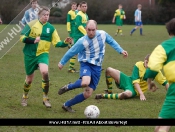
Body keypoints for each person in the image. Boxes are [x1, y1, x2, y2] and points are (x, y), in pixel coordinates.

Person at [57, 20, 128, 113]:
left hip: (97, 67)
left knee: (88, 94)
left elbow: (112, 41)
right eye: (89, 30)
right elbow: (72, 51)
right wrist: (62, 62)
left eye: (93, 30)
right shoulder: (82, 41)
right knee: (85, 82)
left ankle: (66, 105)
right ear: (86, 29)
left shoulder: (103, 35)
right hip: (86, 64)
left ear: (96, 29)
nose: (91, 32)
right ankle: (69, 86)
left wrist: (121, 50)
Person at [20, 6, 72, 108]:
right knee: (29, 79)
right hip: (29, 55)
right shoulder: (31, 24)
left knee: (44, 72)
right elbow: (22, 37)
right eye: (44, 15)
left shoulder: (51, 28)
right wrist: (33, 40)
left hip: (43, 54)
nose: (46, 17)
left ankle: (45, 98)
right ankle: (25, 97)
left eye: (48, 15)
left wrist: (65, 43)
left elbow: (57, 43)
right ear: (39, 15)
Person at [144, 18, 175, 132]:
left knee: (160, 128)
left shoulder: (164, 46)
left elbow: (153, 67)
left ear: (169, 32)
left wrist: (149, 81)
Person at [95, 54, 169, 100]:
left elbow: (166, 83)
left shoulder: (155, 71)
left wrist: (171, 96)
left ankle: (103, 96)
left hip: (135, 90)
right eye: (147, 62)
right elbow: (135, 82)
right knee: (109, 70)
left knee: (125, 94)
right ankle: (109, 92)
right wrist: (142, 94)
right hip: (128, 80)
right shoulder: (138, 65)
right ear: (145, 61)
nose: (148, 65)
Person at [68, 1, 88, 73]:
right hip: (78, 36)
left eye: (85, 6)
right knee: (75, 52)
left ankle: (89, 67)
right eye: (83, 6)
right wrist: (86, 33)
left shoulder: (86, 15)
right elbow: (79, 26)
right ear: (80, 7)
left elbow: (86, 25)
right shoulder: (78, 15)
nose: (84, 8)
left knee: (86, 51)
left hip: (83, 36)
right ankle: (70, 68)